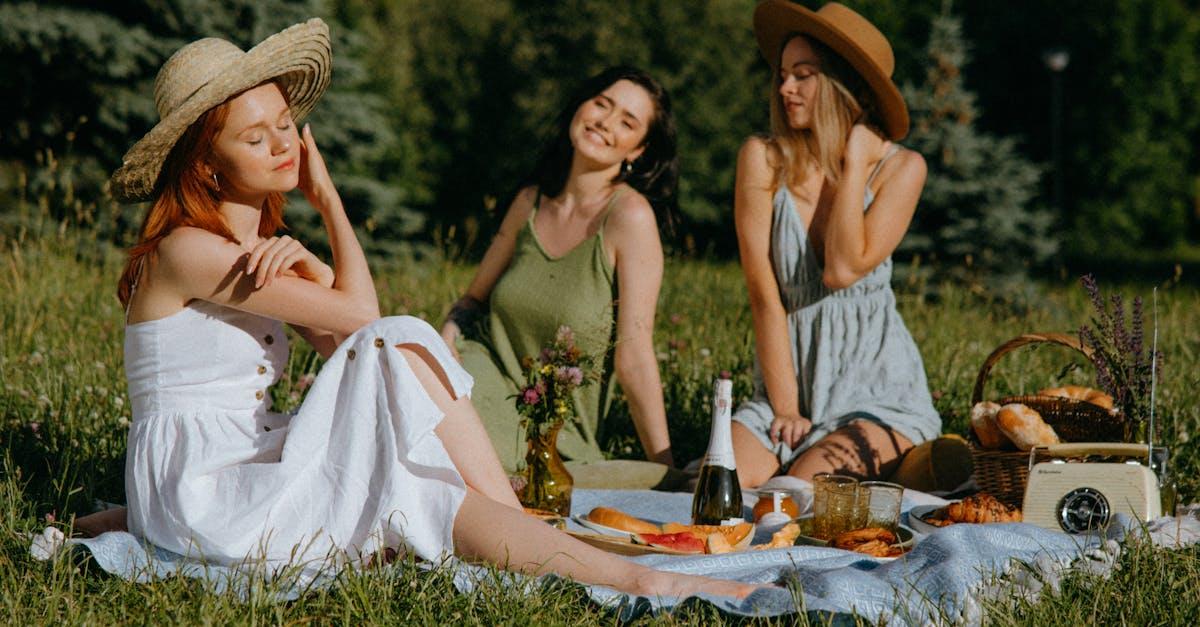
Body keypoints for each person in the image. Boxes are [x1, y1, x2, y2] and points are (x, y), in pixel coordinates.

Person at [75, 20, 755, 600]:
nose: (284, 145)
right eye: (255, 139)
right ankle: (611, 567)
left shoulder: (258, 252)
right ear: (206, 164)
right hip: (203, 491)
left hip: (232, 465)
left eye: (285, 125)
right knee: (404, 359)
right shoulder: (191, 250)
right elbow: (370, 323)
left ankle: (584, 558)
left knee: (415, 471)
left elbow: (353, 337)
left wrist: (313, 250)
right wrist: (328, 204)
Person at [731, 1, 942, 488]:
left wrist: (855, 163)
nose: (785, 88)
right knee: (720, 486)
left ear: (847, 86)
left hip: (876, 396)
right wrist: (786, 409)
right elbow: (763, 295)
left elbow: (841, 270)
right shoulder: (762, 158)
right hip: (786, 389)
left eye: (804, 75)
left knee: (803, 492)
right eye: (784, 74)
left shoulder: (901, 168)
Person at [440, 67, 677, 476]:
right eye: (602, 104)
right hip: (474, 380)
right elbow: (473, 300)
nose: (605, 122)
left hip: (550, 435)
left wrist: (665, 468)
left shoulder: (630, 217)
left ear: (638, 151)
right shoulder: (530, 201)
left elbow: (634, 355)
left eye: (627, 122)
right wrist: (444, 339)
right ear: (581, 106)